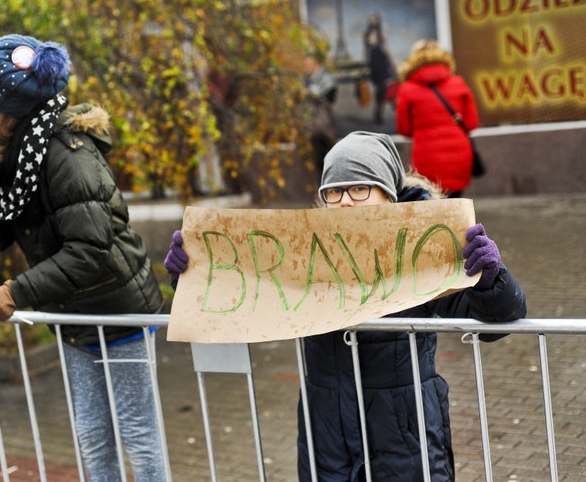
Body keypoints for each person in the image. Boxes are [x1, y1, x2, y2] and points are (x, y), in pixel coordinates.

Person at [164, 131, 527, 481]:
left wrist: (490, 278)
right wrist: (195, 274)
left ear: (389, 196)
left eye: (359, 188)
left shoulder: (423, 251)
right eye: (334, 191)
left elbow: (500, 317)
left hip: (404, 431)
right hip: (328, 433)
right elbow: (240, 298)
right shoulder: (304, 256)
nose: (345, 200)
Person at [0, 34, 167, 482]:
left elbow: (90, 250)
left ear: (4, 101)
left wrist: (18, 291)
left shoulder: (65, 154)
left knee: (138, 433)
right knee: (92, 434)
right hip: (75, 316)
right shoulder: (17, 151)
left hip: (118, 315)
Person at [396, 39, 480, 197]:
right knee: (456, 204)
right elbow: (471, 123)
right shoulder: (458, 82)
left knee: (433, 204)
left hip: (426, 158)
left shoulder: (407, 89)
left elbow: (404, 129)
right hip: (459, 155)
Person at [302, 50, 338, 181]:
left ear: (316, 64)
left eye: (309, 64)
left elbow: (330, 94)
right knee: (319, 161)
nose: (307, 67)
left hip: (325, 125)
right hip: (313, 127)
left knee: (329, 158)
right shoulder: (306, 79)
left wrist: (310, 92)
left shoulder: (325, 79)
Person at [363, 12, 396, 124]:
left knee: (384, 88)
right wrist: (365, 64)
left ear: (378, 21)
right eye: (371, 19)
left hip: (382, 61)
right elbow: (366, 51)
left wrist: (392, 63)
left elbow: (386, 49)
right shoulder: (367, 35)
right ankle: (378, 113)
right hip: (373, 63)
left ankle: (379, 113)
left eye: (375, 19)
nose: (373, 21)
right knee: (378, 90)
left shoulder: (381, 35)